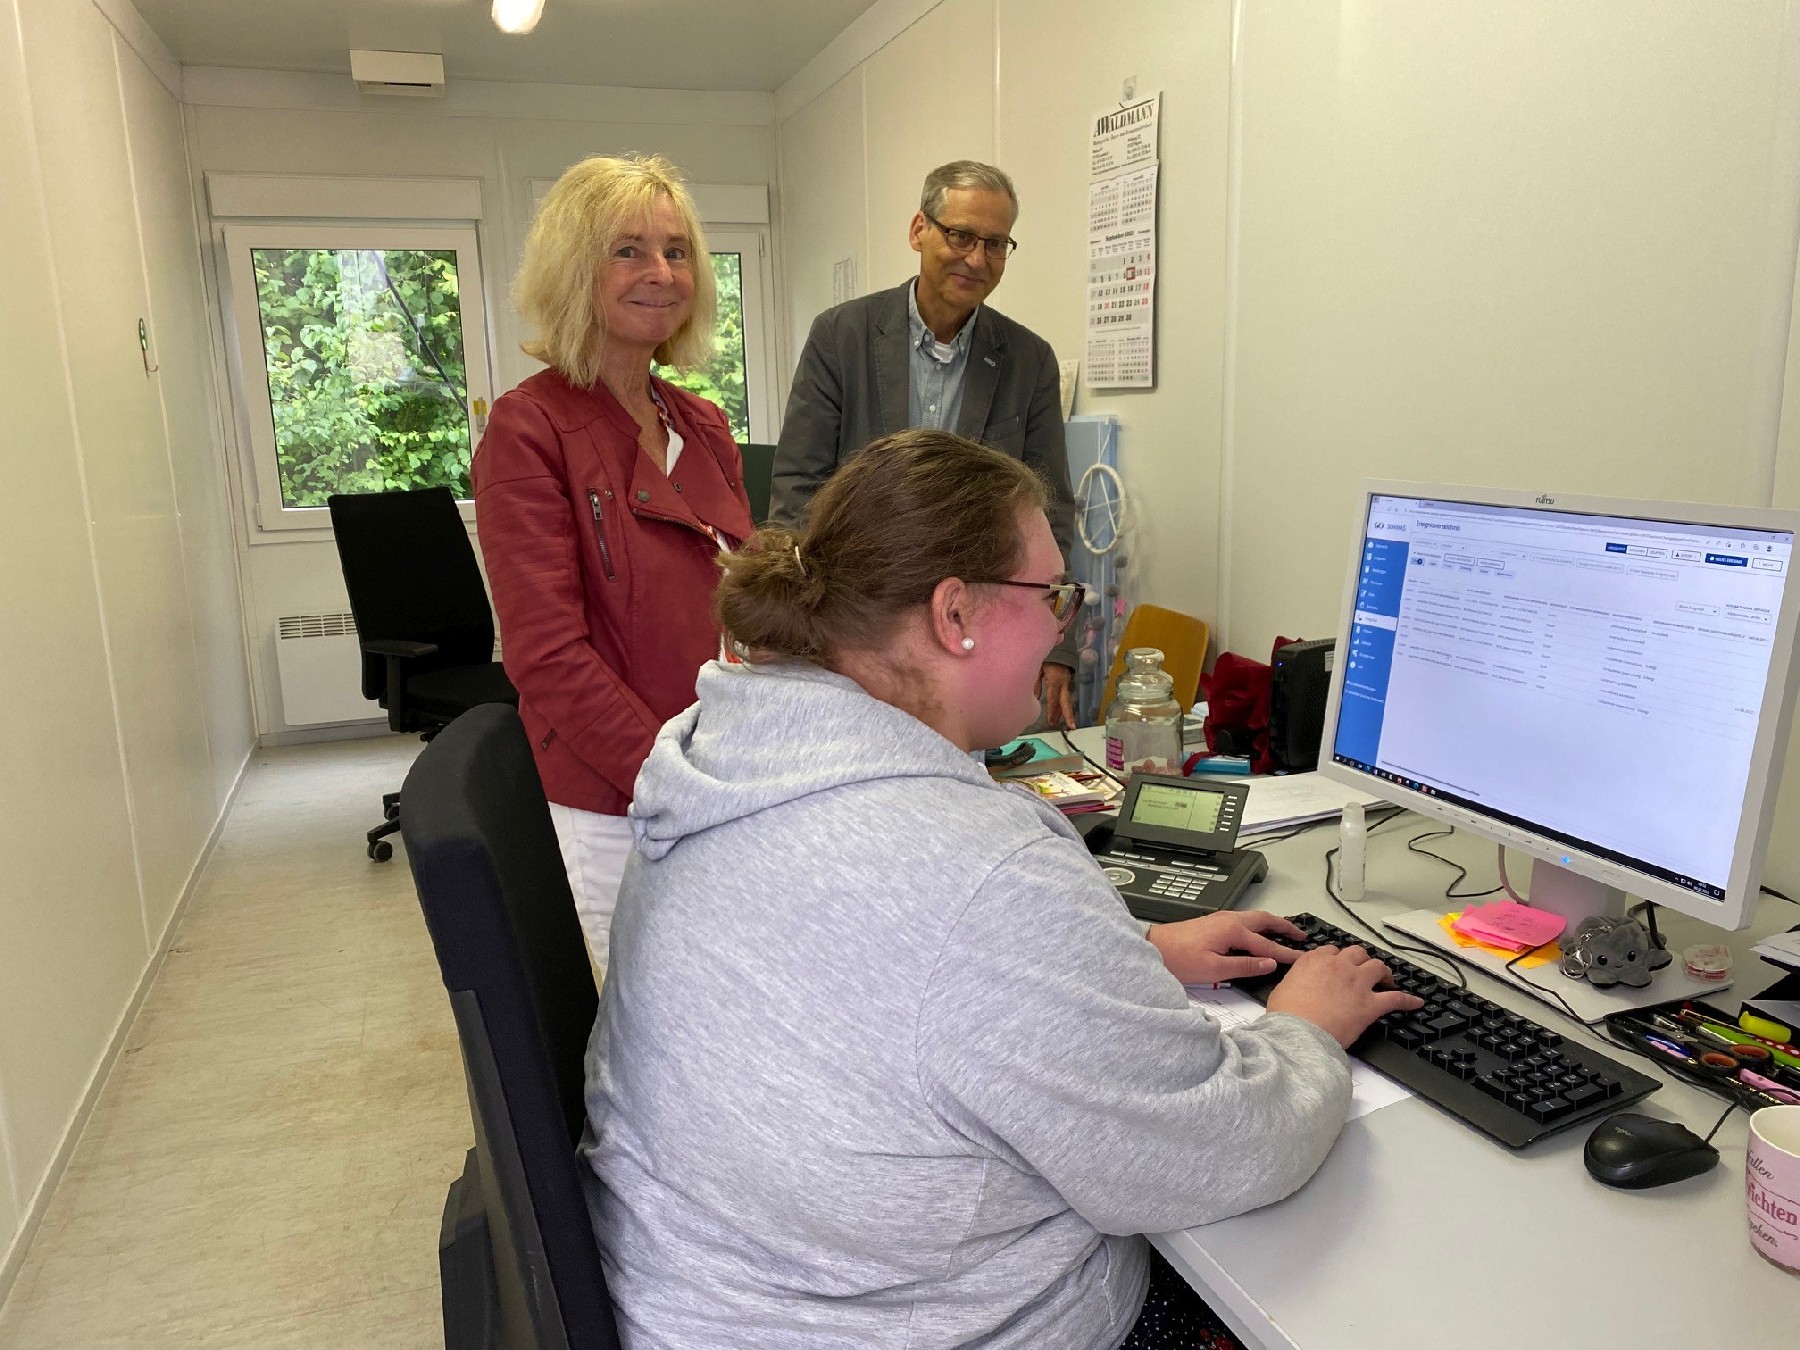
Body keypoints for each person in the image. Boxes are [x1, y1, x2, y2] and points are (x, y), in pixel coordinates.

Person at [580, 429, 1423, 1348]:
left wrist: (1124, 957)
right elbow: (1220, 1151)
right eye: (1051, 593)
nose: (1064, 623)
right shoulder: (976, 868)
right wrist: (1305, 1028)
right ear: (955, 615)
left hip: (703, 1293)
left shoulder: (729, 755)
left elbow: (869, 970)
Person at [473, 154, 753, 976]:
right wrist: (670, 779)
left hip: (719, 771)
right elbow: (547, 658)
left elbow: (751, 596)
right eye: (626, 250)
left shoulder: (699, 423)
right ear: (574, 271)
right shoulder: (528, 432)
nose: (661, 273)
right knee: (644, 1029)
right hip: (615, 799)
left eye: (676, 251)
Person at [769, 160, 1081, 727]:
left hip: (973, 634)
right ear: (919, 230)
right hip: (859, 627)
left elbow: (1051, 511)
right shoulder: (843, 337)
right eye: (960, 235)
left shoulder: (1028, 361)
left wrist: (1055, 643)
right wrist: (794, 630)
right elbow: (798, 491)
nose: (976, 258)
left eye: (995, 243)